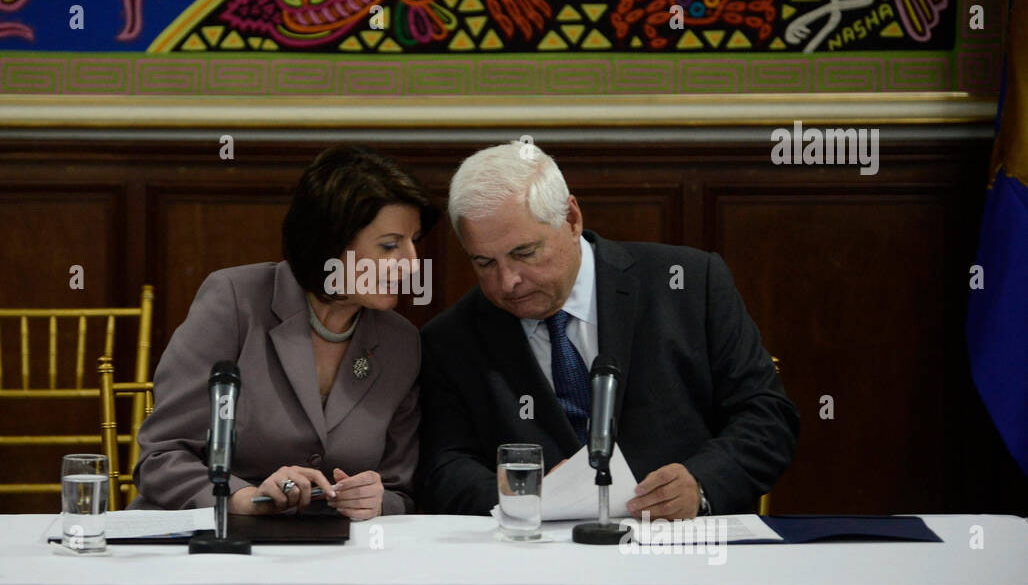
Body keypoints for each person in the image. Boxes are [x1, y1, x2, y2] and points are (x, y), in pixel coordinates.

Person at [418, 141, 798, 518]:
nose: (507, 282)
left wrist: (702, 482)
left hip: (683, 547)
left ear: (571, 218)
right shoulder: (451, 338)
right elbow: (443, 465)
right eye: (484, 263)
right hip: (536, 558)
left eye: (525, 253)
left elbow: (766, 416)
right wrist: (522, 494)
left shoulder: (689, 286)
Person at [131, 145, 437, 520]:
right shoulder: (234, 301)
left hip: (333, 556)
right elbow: (161, 457)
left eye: (414, 242)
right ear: (331, 242)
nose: (411, 264)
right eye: (390, 246)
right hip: (209, 544)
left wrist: (377, 501)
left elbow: (400, 489)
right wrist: (239, 498)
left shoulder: (400, 342)